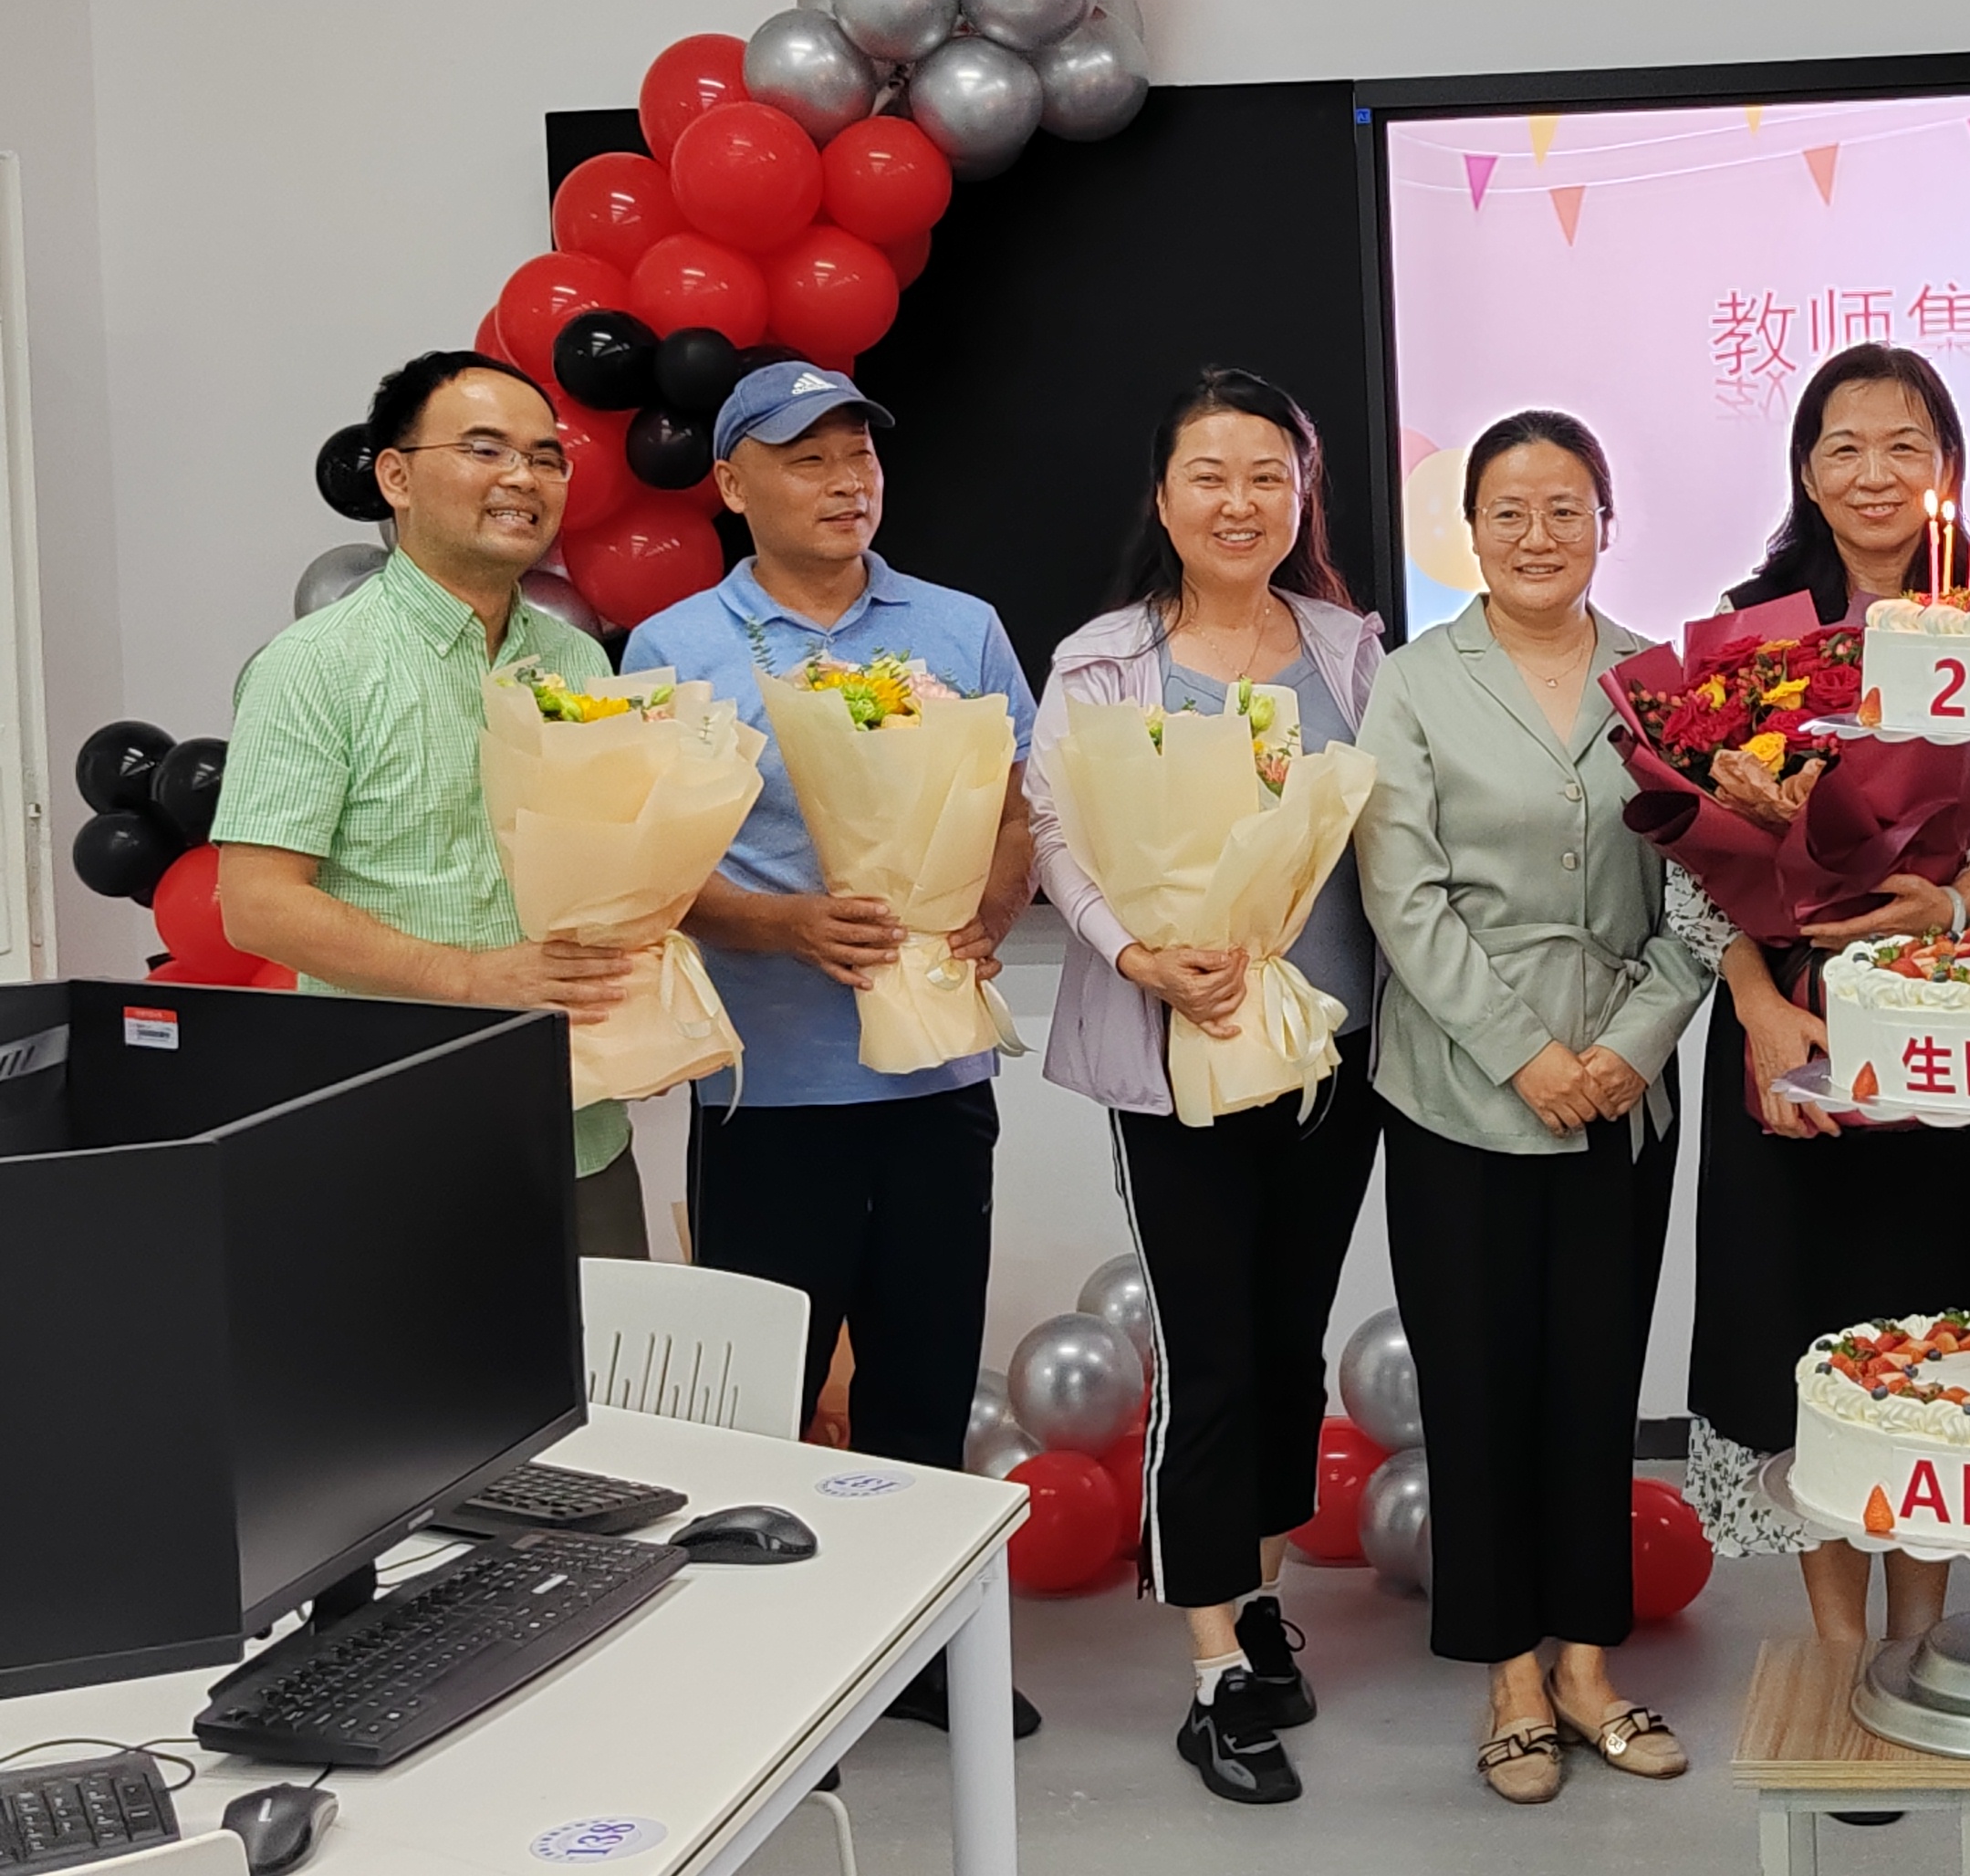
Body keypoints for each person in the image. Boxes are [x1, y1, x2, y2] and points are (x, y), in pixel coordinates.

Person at [619, 360, 1042, 1736]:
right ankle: (771, 1677)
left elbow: (1023, 809)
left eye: (859, 454)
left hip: (936, 1076)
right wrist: (782, 924)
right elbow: (645, 867)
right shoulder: (676, 645)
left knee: (927, 1376)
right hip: (770, 1088)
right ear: (732, 485)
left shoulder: (961, 626)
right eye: (807, 459)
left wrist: (992, 912)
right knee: (766, 1391)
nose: (846, 481)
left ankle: (921, 1659)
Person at [1678, 341, 1970, 1659]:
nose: (1874, 473)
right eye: (1844, 447)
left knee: (1938, 1334)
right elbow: (1692, 851)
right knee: (1808, 1336)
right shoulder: (1751, 628)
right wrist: (1759, 1009)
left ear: (1946, 466)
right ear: (1807, 471)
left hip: (1961, 1034)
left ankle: (1920, 1635)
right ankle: (1842, 1651)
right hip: (1793, 1024)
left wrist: (1951, 908)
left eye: (1904, 445)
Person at [1027, 369, 1385, 1809]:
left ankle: (1263, 1598)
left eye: (1268, 476)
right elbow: (1057, 831)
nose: (1241, 503)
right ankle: (1210, 1668)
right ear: (1164, 498)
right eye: (1210, 476)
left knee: (1290, 1343)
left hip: (1333, 1058)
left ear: (1301, 496)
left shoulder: (1351, 647)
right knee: (1209, 1357)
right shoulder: (1104, 660)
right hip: (1172, 1057)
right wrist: (1138, 957)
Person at [1356, 410, 1710, 1805]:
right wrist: (1524, 1055)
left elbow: (1704, 889)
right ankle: (1508, 1676)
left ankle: (1587, 1667)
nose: (1538, 536)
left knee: (1594, 1386)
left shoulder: (1662, 681)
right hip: (1458, 1091)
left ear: (1606, 523)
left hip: (1623, 1095)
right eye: (1508, 511)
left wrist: (1629, 1048)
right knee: (1479, 1389)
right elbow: (1402, 895)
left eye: (1567, 508)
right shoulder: (1412, 684)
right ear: (1470, 533)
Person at [215, 349, 647, 1255]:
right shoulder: (315, 665)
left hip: (578, 1127)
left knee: (608, 1349)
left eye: (546, 457)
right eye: (485, 450)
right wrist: (470, 980)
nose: (522, 477)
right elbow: (257, 904)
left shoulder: (578, 662)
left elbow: (613, 866)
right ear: (397, 477)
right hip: (390, 1139)